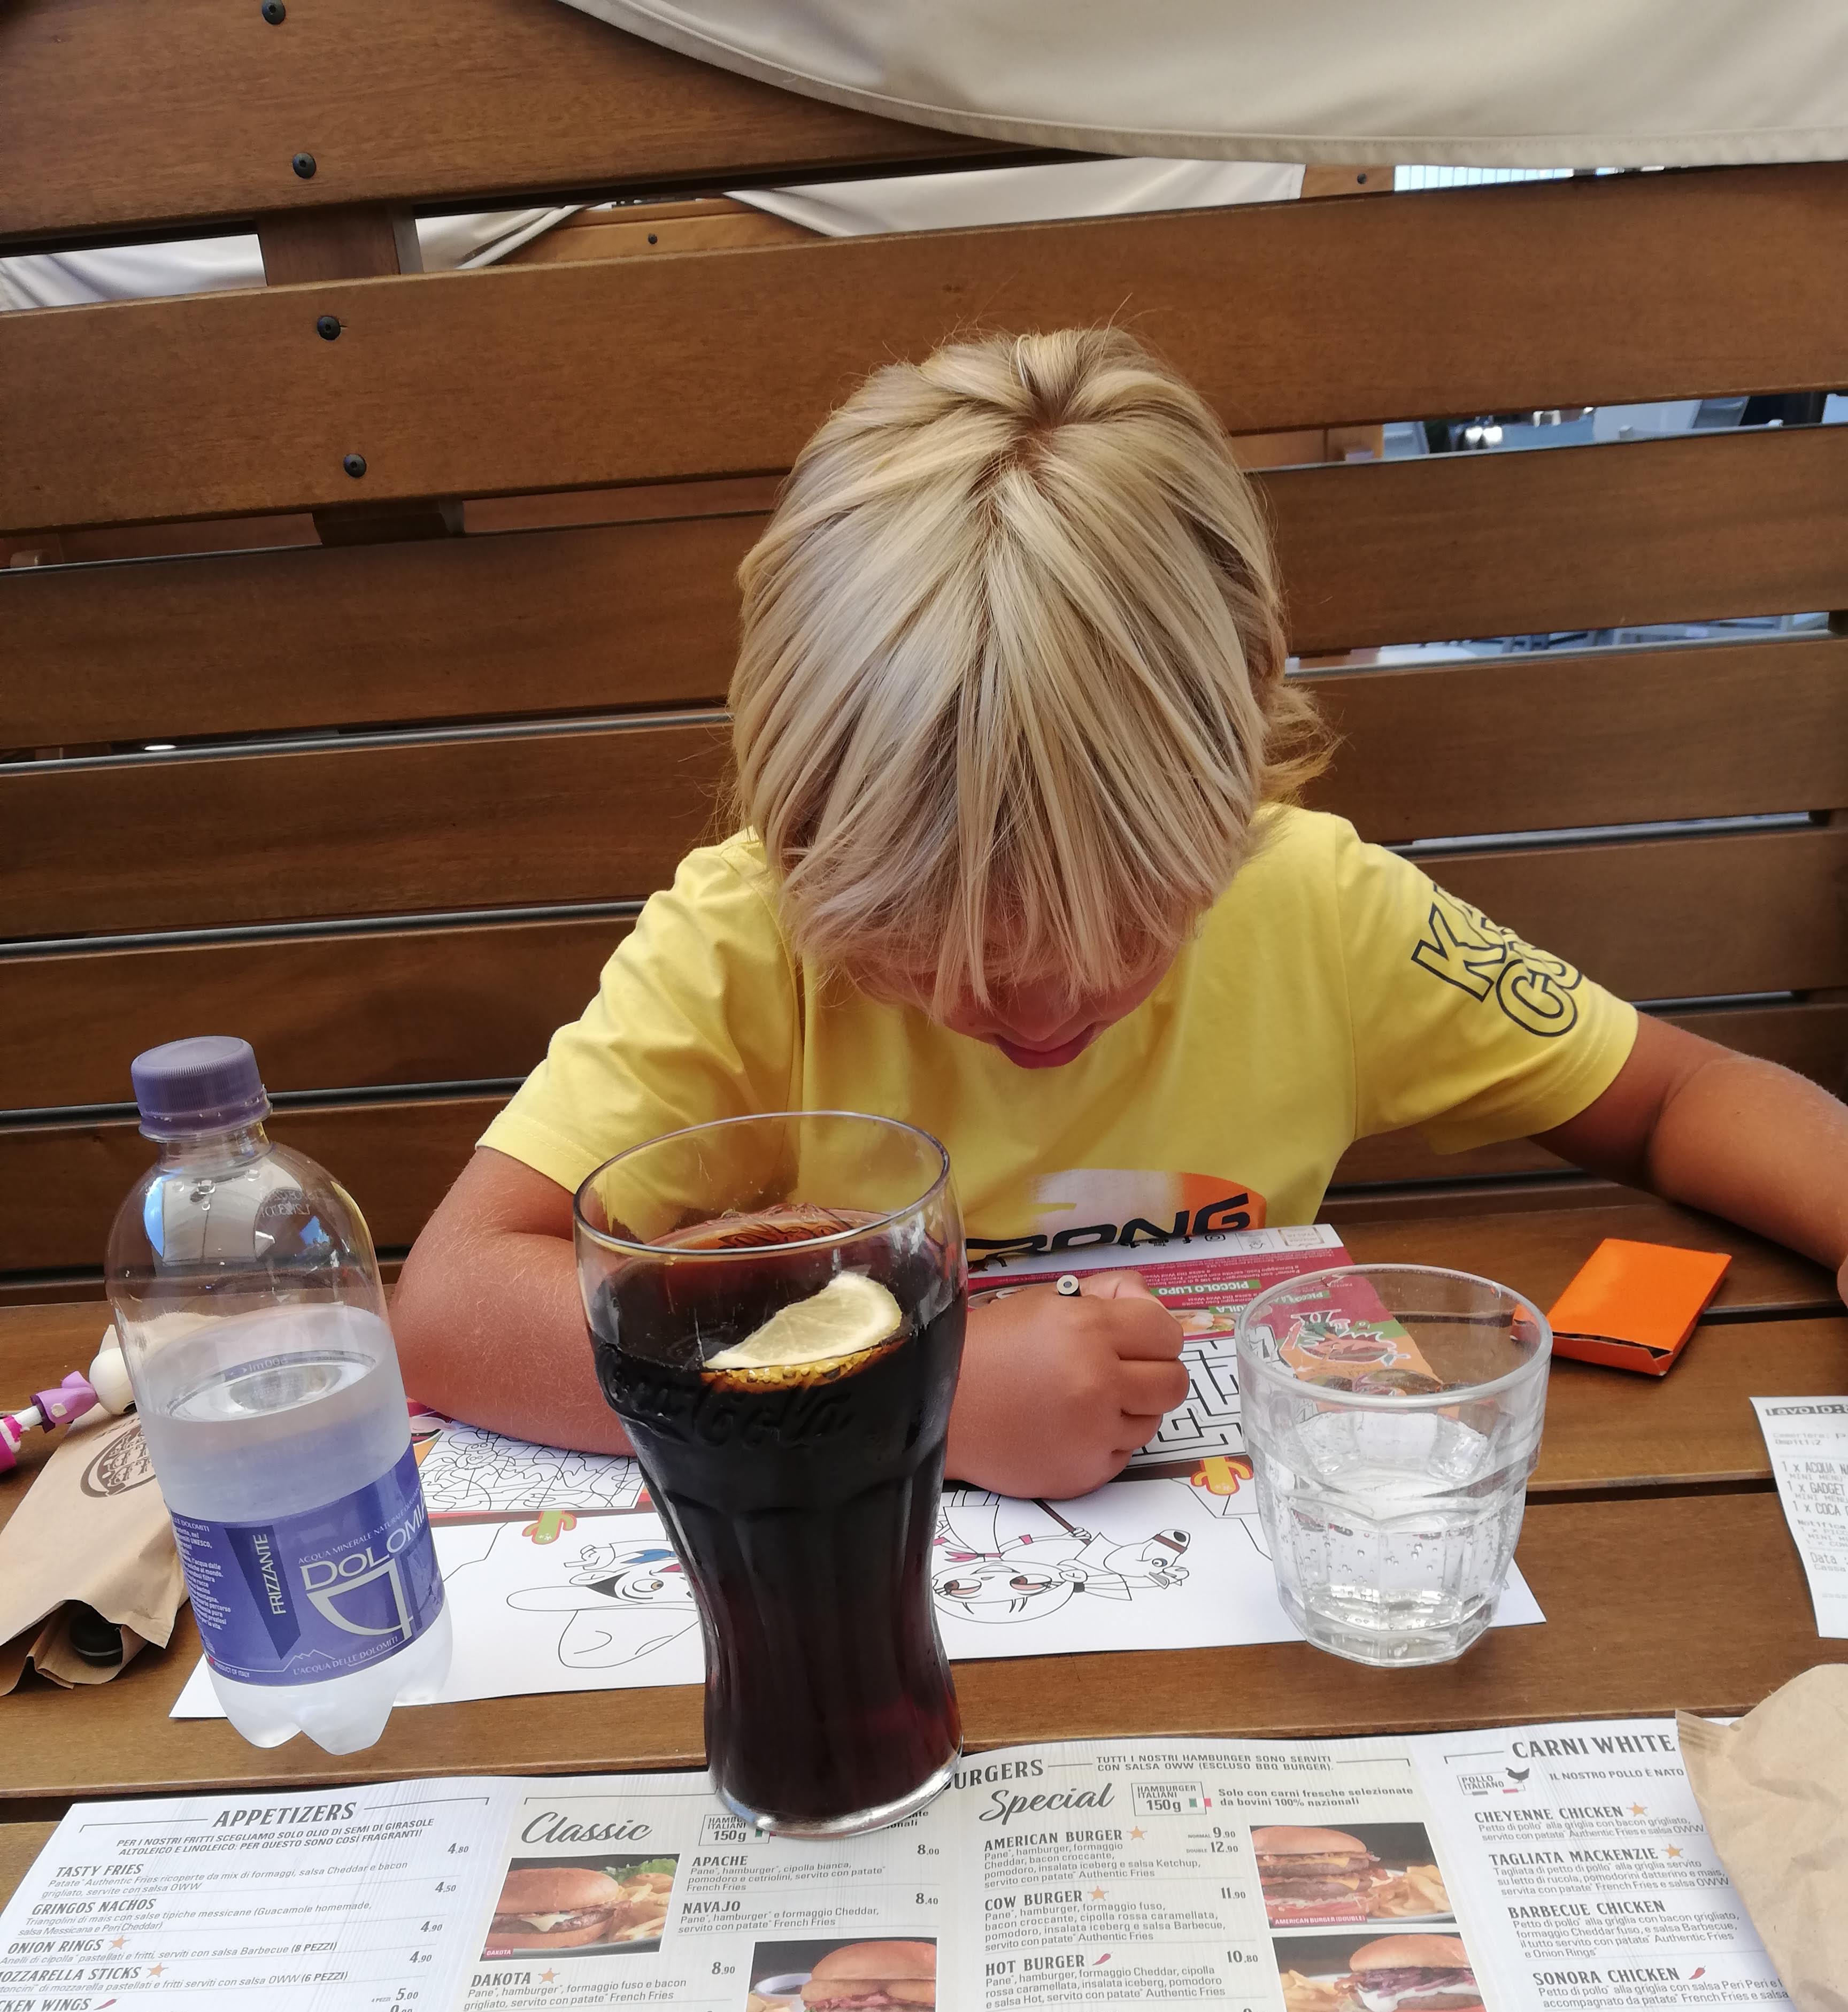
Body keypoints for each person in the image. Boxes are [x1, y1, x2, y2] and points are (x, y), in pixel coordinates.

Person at [392, 328, 1848, 1499]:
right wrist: (916, 1402)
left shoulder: (1322, 909)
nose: (1031, 1013)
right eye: (924, 951)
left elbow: (1679, 1098)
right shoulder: (749, 940)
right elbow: (454, 1307)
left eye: (1120, 934)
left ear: (1240, 751)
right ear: (802, 837)